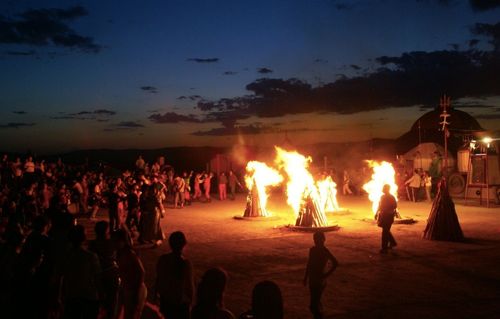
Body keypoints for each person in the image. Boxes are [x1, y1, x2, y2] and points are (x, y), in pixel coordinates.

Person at [61, 225, 102, 319]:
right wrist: (102, 294)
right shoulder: (90, 256)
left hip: (71, 295)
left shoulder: (66, 256)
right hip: (88, 296)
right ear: (83, 237)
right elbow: (97, 278)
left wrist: (59, 296)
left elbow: (59, 276)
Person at [154, 231, 194, 319]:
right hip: (180, 302)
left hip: (166, 300)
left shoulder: (163, 259)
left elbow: (158, 279)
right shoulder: (185, 263)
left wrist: (156, 295)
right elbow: (189, 286)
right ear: (184, 244)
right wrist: (190, 301)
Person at [88, 221, 120, 319]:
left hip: (98, 275)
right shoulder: (111, 243)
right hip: (110, 274)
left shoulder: (92, 244)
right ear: (106, 231)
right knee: (111, 301)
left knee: (99, 300)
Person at [303, 231, 338, 319]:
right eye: (315, 240)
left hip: (319, 280)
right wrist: (306, 277)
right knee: (315, 300)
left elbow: (335, 263)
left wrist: (326, 275)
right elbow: (309, 263)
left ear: (323, 240)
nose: (316, 242)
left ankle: (319, 314)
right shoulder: (313, 250)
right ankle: (318, 313)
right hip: (313, 279)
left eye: (318, 240)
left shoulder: (324, 251)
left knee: (314, 303)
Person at [115, 229, 147, 319]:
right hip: (125, 287)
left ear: (123, 241)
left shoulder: (130, 254)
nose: (114, 243)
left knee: (130, 315)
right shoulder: (120, 253)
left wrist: (137, 292)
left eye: (116, 241)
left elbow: (141, 272)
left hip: (132, 289)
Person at [375, 184, 398, 253]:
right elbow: (379, 205)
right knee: (386, 230)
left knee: (385, 232)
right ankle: (393, 242)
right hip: (384, 215)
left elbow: (394, 206)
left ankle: (384, 249)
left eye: (384, 188)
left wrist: (387, 210)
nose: (382, 189)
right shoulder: (383, 197)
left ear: (386, 189)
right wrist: (376, 213)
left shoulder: (390, 197)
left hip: (388, 216)